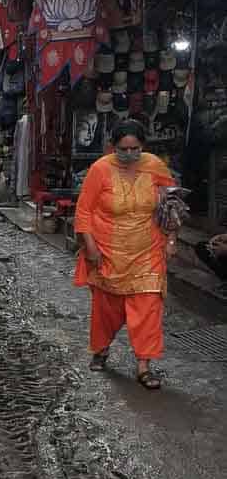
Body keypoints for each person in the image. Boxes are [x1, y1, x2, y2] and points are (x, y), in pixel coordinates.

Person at [74, 117, 175, 390]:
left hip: (148, 251)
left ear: (142, 146)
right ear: (112, 146)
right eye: (124, 149)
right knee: (108, 309)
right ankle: (101, 348)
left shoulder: (155, 166)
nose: (130, 155)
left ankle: (144, 365)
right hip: (108, 251)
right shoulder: (100, 169)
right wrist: (91, 247)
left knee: (148, 307)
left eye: (135, 149)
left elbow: (172, 205)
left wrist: (171, 239)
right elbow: (83, 211)